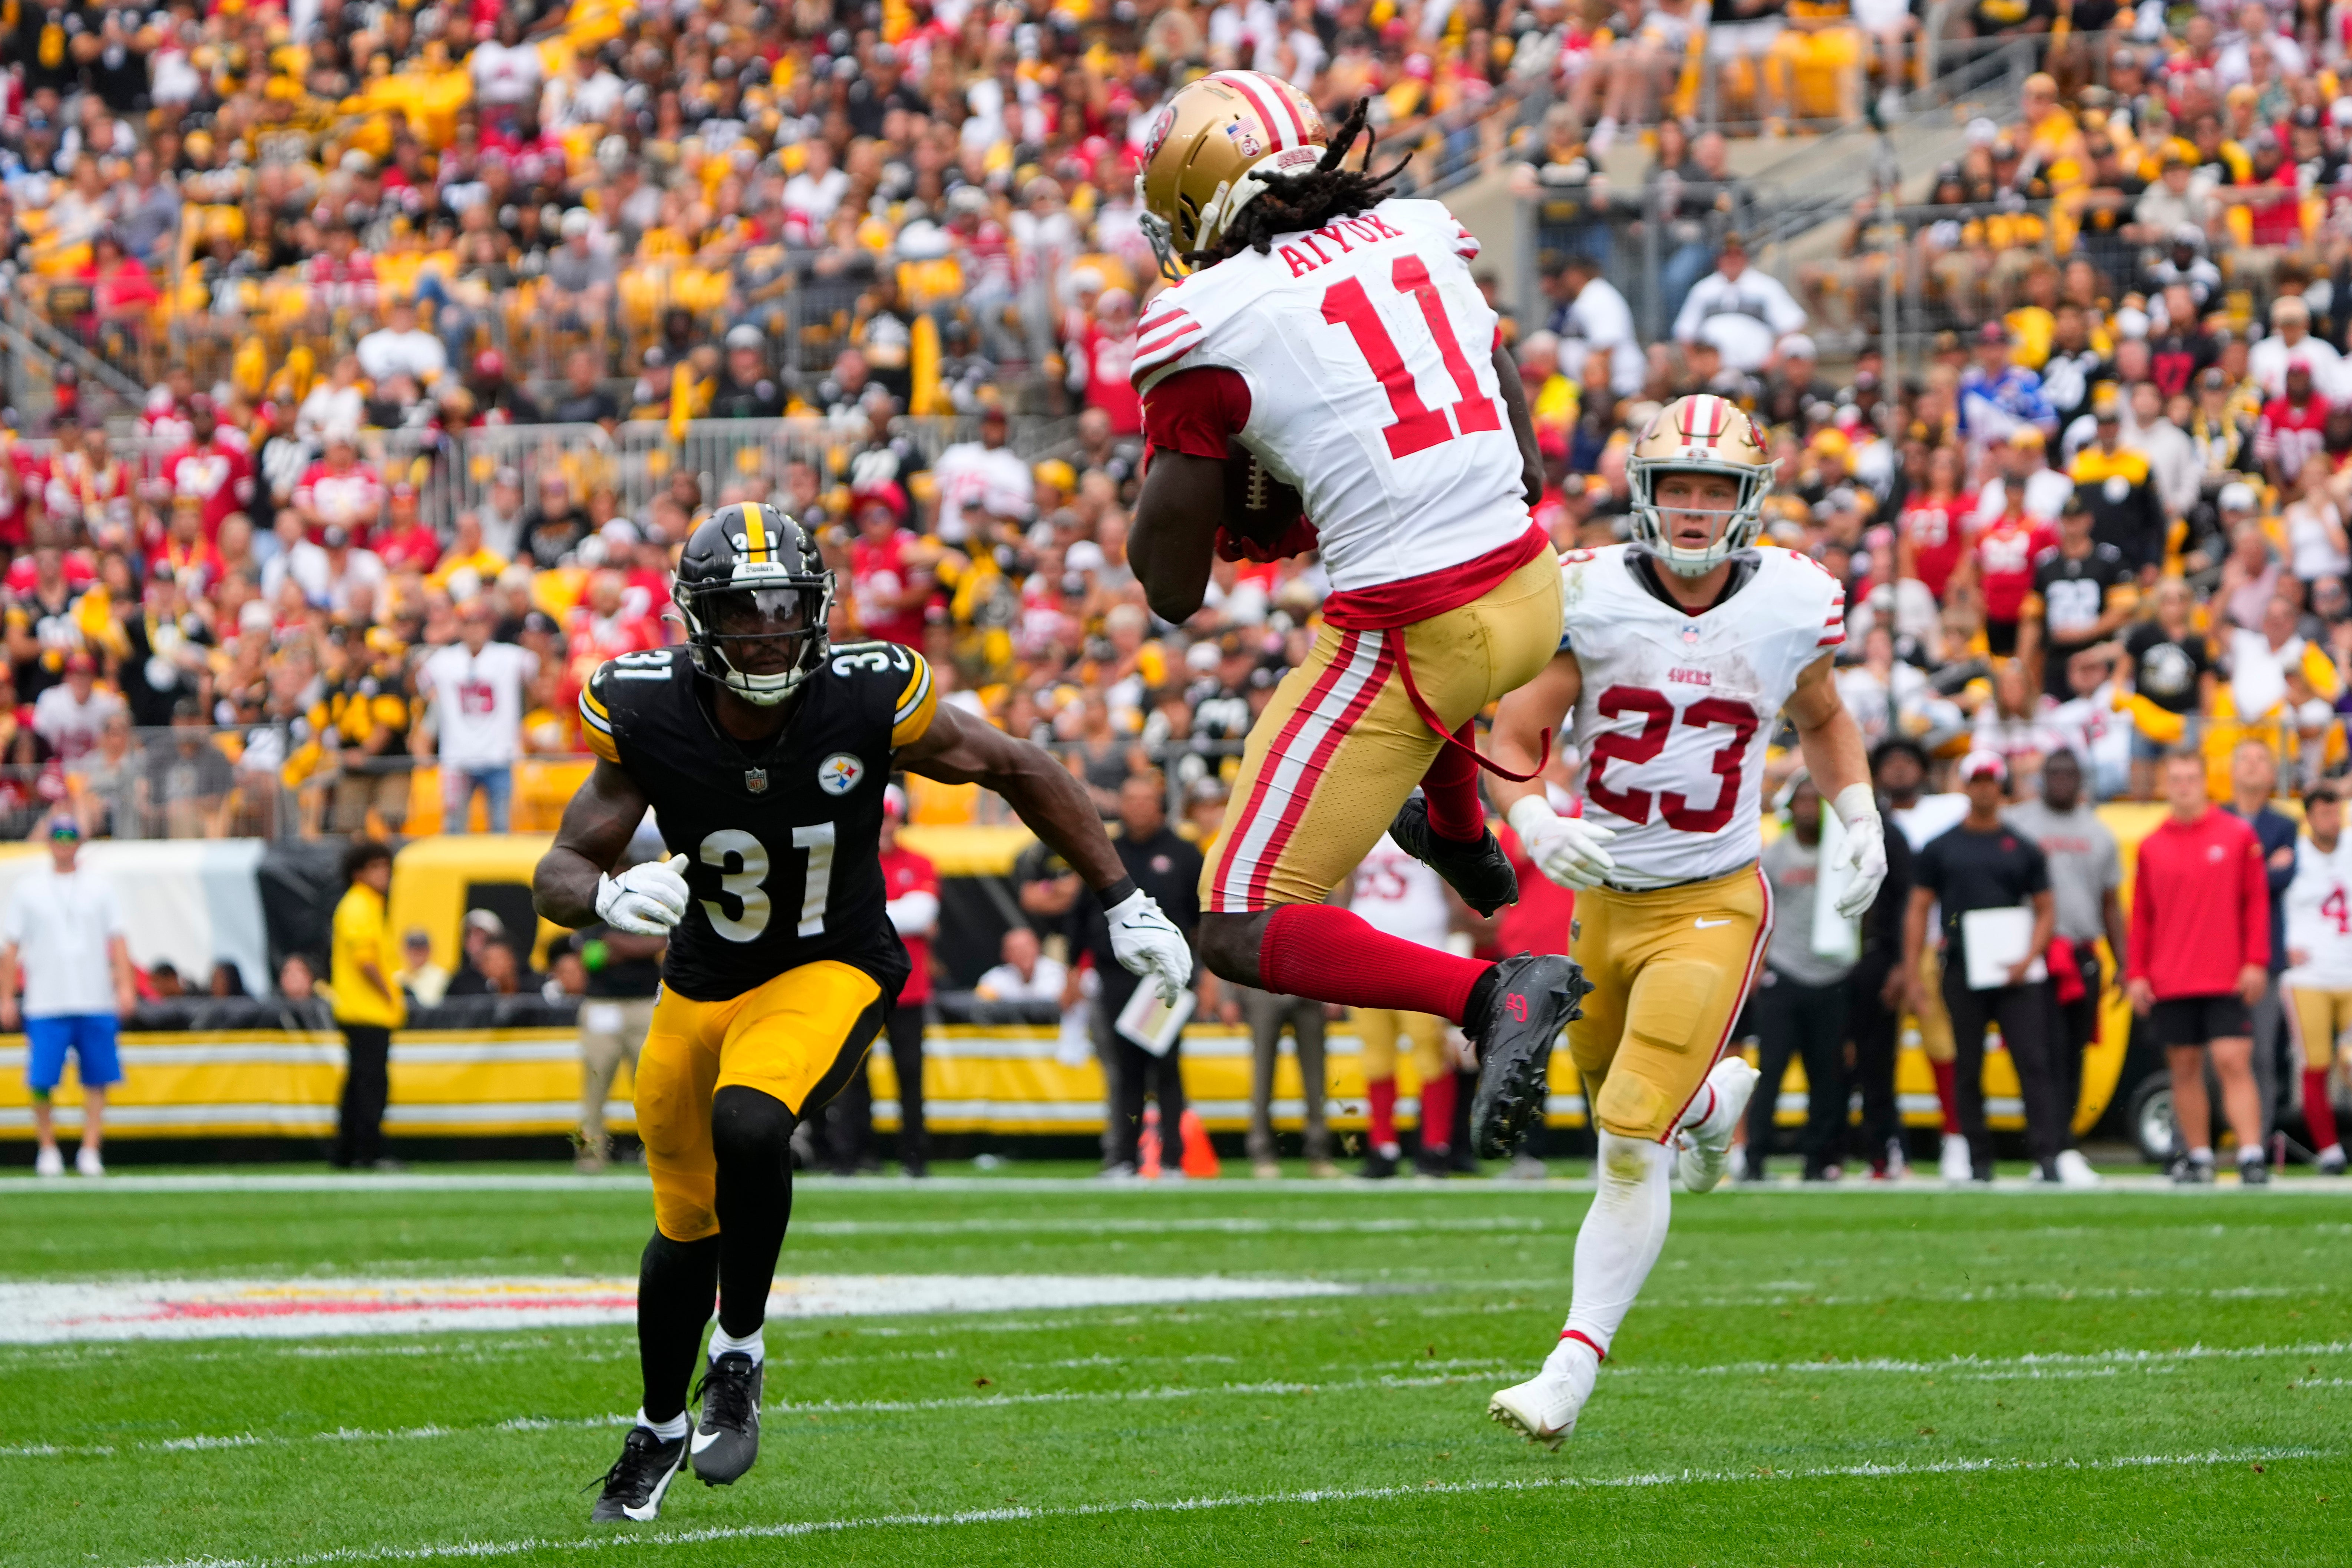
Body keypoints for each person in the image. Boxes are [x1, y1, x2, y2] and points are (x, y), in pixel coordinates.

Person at [534, 506, 1190, 1523]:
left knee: (751, 1120)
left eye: (785, 608)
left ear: (820, 608)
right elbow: (562, 865)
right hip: (700, 982)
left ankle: (739, 1352)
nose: (768, 633)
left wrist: (1122, 897)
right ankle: (659, 1425)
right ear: (698, 621)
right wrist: (605, 895)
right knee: (682, 1223)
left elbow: (1017, 763)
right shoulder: (646, 706)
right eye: (742, 613)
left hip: (831, 961)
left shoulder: (866, 694)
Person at [1126, 75, 1588, 1186]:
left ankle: (1491, 994)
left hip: (1417, 635)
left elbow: (1171, 588)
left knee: (1234, 921)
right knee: (1420, 678)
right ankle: (1458, 831)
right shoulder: (1421, 231)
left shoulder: (1205, 320)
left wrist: (1246, 485)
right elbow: (1524, 466)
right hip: (1530, 593)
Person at [1479, 393, 1888, 1449]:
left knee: (1626, 1136)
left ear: (1748, 499)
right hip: (1603, 899)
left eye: (1714, 488)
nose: (1695, 507)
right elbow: (1514, 733)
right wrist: (1533, 815)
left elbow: (1823, 715)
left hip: (1712, 899)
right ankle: (1713, 1101)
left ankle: (1570, 1367)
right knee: (1626, 1104)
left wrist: (1859, 816)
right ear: (1644, 493)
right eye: (1677, 487)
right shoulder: (1586, 592)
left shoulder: (1791, 600)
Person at [1903, 751, 2067, 1185]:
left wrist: (2028, 958)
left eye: (1989, 781)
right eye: (1975, 781)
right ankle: (1977, 1159)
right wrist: (1912, 970)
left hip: (2014, 970)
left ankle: (2047, 1156)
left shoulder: (2021, 847)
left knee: (2031, 1061)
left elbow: (2045, 909)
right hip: (1961, 966)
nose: (1982, 789)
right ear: (1964, 786)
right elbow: (1918, 909)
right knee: (1967, 1064)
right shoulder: (1941, 848)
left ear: (2001, 786)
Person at [2127, 749, 2273, 1185]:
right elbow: (2141, 916)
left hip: (2225, 974)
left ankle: (2250, 1154)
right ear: (2165, 784)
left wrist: (2255, 960)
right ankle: (2198, 1156)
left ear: (2205, 782)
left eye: (2190, 778)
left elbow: (2255, 902)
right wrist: (2136, 973)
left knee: (2232, 1061)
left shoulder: (2236, 835)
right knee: (2184, 1067)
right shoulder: (2151, 845)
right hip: (2171, 977)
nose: (2184, 786)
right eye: (2176, 779)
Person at [1071, 772, 1205, 1178]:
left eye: (1145, 799)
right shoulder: (1104, 851)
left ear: (1159, 805)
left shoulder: (1184, 854)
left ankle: (1173, 1159)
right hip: (1115, 974)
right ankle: (1124, 1158)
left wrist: (1208, 977)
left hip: (1163, 978)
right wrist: (1072, 969)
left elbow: (1201, 921)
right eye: (1129, 799)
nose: (1137, 807)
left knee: (1164, 1065)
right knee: (1123, 1070)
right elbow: (1081, 914)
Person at [2002, 749, 2125, 1187]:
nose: (2060, 779)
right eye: (2052, 772)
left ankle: (2063, 1144)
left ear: (2080, 780)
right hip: (2031, 953)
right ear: (2040, 777)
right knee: (2037, 1055)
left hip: (2078, 953)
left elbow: (2110, 905)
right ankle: (2046, 1148)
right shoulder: (2017, 823)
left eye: (2068, 772)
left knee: (2071, 1053)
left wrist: (2124, 963)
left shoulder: (2098, 832)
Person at [0, 815, 135, 1178]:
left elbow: (118, 939)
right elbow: (11, 947)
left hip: (94, 998)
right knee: (41, 1079)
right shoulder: (29, 889)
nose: (64, 842)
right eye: (58, 836)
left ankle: (90, 1148)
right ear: (48, 842)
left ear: (79, 841)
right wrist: (6, 996)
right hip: (46, 1000)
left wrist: (125, 987)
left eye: (70, 836)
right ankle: (47, 1147)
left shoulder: (100, 887)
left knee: (97, 1078)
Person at [1744, 773, 1856, 1183]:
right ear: (1790, 808)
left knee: (1826, 1075)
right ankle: (1754, 1158)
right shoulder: (1775, 855)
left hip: (1833, 974)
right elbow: (1757, 914)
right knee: (1770, 1071)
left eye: (1815, 800)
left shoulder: (1842, 854)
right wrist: (1758, 966)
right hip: (1784, 971)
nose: (1808, 807)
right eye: (1802, 800)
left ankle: (1818, 1160)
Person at [825, 786, 938, 1176]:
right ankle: (855, 1154)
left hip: (908, 988)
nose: (884, 825)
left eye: (889, 817)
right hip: (859, 985)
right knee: (851, 1074)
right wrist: (893, 911)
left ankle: (915, 1157)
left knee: (910, 1073)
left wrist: (863, 913)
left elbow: (922, 915)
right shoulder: (848, 863)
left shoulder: (919, 862)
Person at [1341, 826, 1460, 1180]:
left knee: (1430, 1051)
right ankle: (1383, 1147)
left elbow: (1456, 889)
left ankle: (1435, 1147)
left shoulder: (1427, 823)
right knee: (1375, 1055)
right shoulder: (1359, 828)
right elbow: (1346, 890)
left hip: (1422, 951)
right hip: (1365, 952)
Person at [2224, 738, 2299, 1137]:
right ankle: (2201, 1142)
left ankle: (2258, 1140)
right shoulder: (2215, 818)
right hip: (2217, 953)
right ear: (2232, 769)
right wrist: (2260, 869)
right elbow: (2213, 883)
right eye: (2245, 758)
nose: (2252, 766)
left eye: (2260, 759)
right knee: (2212, 1052)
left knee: (2262, 1054)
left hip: (2263, 956)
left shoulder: (2284, 825)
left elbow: (2283, 878)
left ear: (2272, 774)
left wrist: (2232, 874)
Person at [419, 599, 539, 833]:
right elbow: (420, 684)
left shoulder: (509, 656)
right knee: (454, 830)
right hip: (458, 759)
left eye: (479, 624)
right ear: (460, 627)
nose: (474, 630)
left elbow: (539, 673)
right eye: (468, 624)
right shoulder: (443, 660)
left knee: (501, 830)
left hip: (499, 756)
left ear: (488, 627)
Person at [2282, 780, 2352, 1174]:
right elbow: (2266, 899)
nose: (2331, 820)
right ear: (2308, 817)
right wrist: (2280, 946)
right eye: (2323, 813)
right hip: (2307, 975)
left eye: (2335, 811)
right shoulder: (2292, 854)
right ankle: (2329, 1151)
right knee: (2316, 1063)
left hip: (2348, 970)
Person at [575, 889, 666, 1174]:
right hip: (601, 1005)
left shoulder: (650, 900)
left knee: (654, 1087)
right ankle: (589, 1156)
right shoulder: (595, 902)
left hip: (645, 1004)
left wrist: (616, 944)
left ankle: (659, 1154)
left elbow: (661, 941)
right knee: (594, 1087)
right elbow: (591, 958)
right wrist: (638, 945)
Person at [328, 838, 406, 1172]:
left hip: (364, 1010)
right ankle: (368, 1151)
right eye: (376, 867)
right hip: (366, 1011)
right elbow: (365, 960)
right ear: (357, 873)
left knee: (358, 1083)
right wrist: (388, 993)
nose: (384, 874)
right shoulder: (359, 906)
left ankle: (347, 1152)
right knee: (371, 1085)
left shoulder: (367, 905)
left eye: (386, 867)